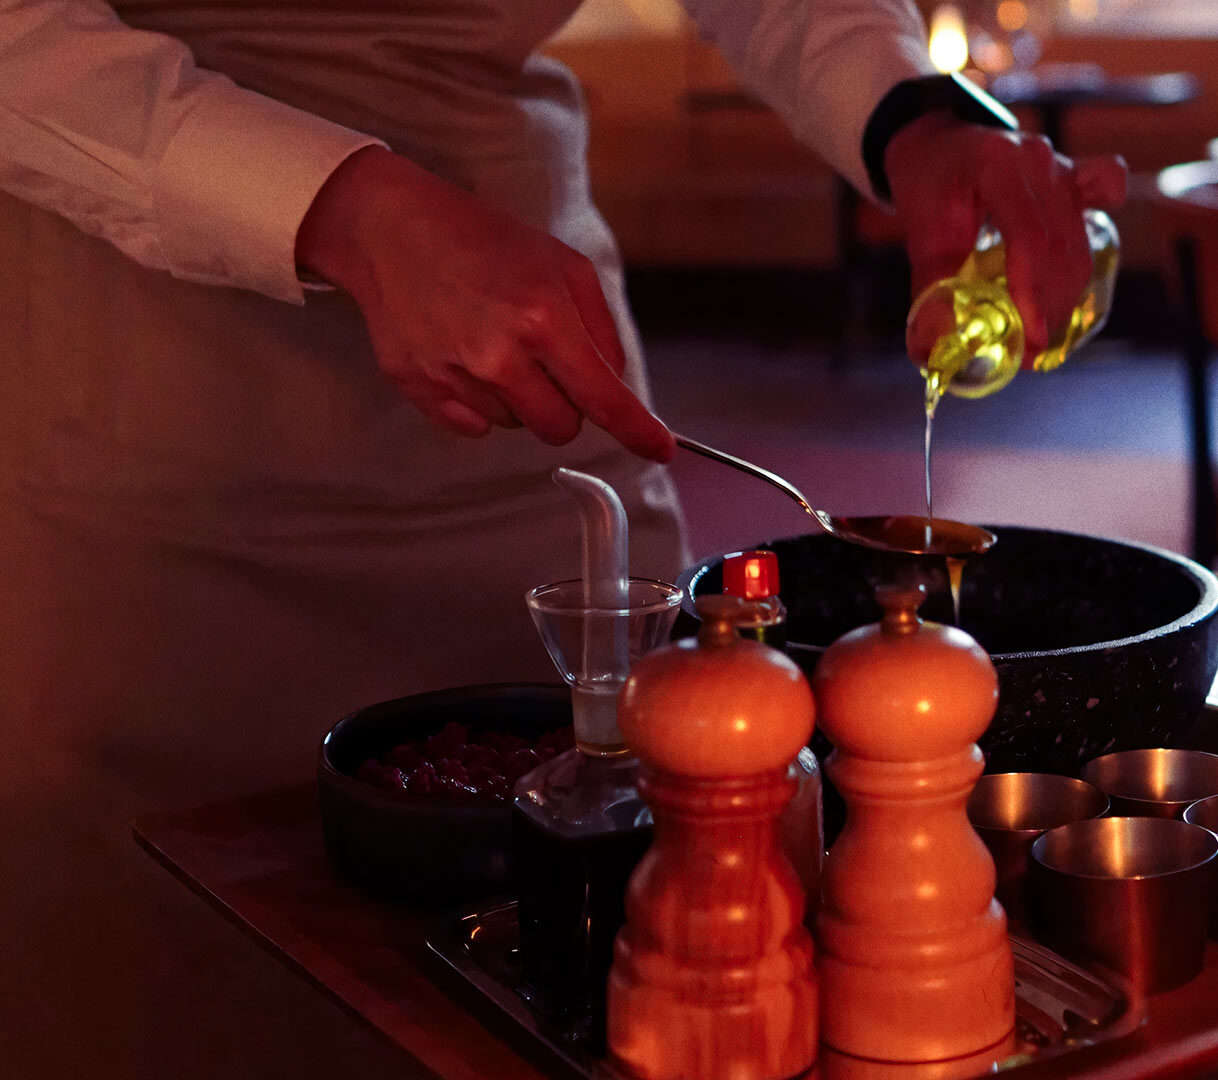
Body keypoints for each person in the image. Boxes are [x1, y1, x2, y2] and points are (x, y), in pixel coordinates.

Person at [0, 1, 1124, 1077]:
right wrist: (343, 208)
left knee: (606, 963)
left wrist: (906, 109)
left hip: (540, 395)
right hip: (150, 427)